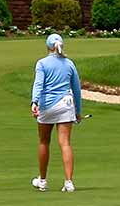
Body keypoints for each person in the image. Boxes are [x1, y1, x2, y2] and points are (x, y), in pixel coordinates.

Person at [31, 32, 81, 192]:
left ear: (48, 47)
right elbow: (77, 89)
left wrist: (34, 102)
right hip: (66, 105)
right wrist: (78, 111)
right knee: (65, 143)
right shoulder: (69, 64)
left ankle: (43, 181)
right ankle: (68, 182)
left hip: (47, 106)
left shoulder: (42, 63)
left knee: (44, 141)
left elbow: (38, 84)